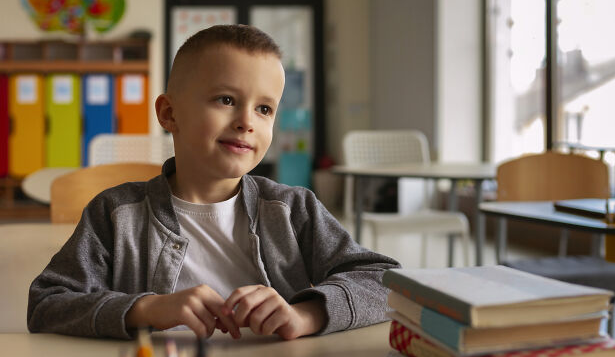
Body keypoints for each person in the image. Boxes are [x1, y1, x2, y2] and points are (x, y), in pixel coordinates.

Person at [27, 24, 400, 340]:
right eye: (226, 99)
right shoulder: (115, 214)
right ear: (169, 113)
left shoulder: (293, 209)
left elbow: (387, 284)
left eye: (264, 108)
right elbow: (47, 304)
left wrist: (305, 315)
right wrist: (146, 308)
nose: (247, 121)